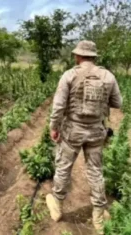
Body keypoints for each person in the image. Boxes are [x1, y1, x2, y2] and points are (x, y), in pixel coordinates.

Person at [46, 40, 122, 234]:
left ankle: (57, 206)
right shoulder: (108, 76)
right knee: (95, 171)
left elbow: (59, 107)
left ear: (78, 56)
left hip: (73, 131)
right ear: (94, 57)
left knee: (64, 167)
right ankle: (98, 214)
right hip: (96, 131)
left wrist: (54, 127)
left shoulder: (69, 75)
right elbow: (117, 102)